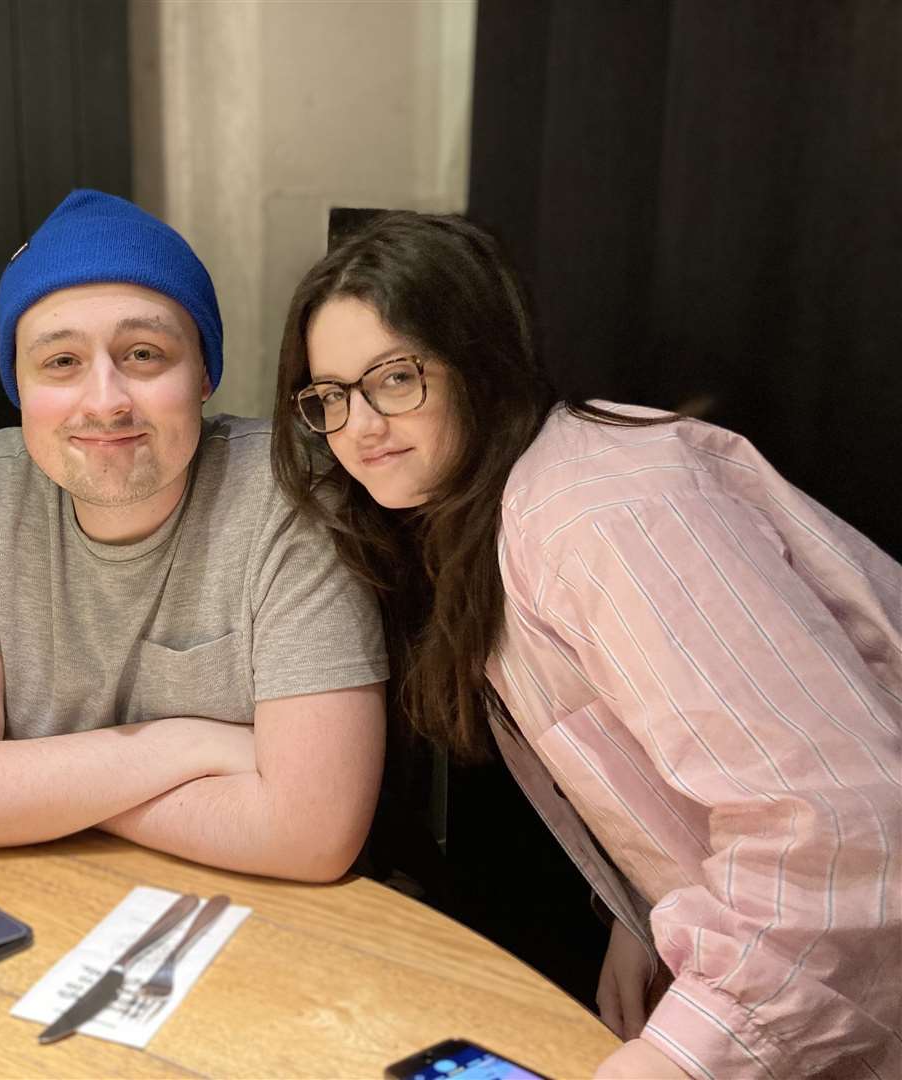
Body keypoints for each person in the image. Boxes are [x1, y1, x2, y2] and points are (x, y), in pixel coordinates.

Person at [271, 212, 900, 1079]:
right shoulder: (491, 512)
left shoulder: (598, 512)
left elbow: (840, 828)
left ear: (482, 360)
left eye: (396, 377)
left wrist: (676, 1059)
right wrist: (643, 909)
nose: (361, 425)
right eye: (330, 396)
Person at [0, 190, 388, 882]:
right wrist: (189, 746)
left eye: (144, 353)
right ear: (18, 388)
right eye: (60, 362)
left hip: (270, 923)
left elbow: (312, 834)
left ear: (205, 373)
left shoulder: (288, 489)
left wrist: (25, 795)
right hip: (49, 900)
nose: (105, 400)